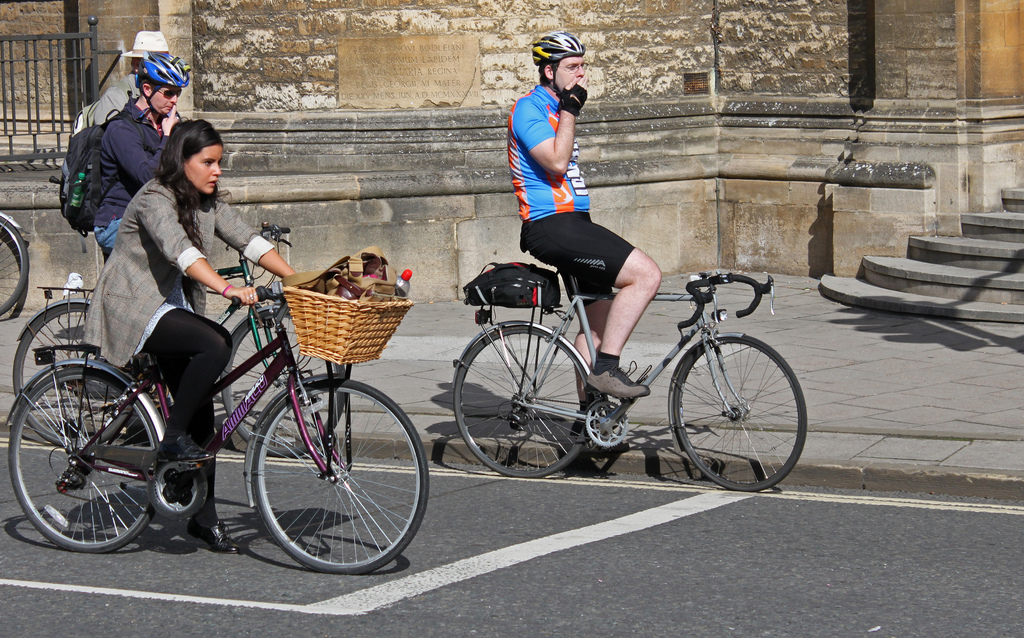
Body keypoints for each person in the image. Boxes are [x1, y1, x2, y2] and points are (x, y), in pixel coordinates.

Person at [83, 119, 296, 553]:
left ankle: (204, 519)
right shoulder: (155, 198)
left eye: (220, 162)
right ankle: (170, 440)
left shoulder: (208, 201)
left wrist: (302, 279)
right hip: (134, 305)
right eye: (209, 162)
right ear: (183, 161)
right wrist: (228, 288)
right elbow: (181, 252)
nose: (217, 171)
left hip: (172, 308)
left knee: (204, 418)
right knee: (215, 343)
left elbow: (249, 240)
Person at [508, 31, 662, 400]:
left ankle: (586, 423)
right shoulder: (529, 109)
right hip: (550, 225)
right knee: (646, 276)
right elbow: (557, 164)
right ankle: (607, 369)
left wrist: (566, 111)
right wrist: (570, 110)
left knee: (595, 327)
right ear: (548, 71)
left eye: (583, 67)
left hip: (574, 224)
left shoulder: (555, 109)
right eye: (572, 67)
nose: (582, 76)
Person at [93, 51, 190, 259]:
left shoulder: (163, 124)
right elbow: (147, 177)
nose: (174, 101)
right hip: (117, 220)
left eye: (177, 94)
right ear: (147, 89)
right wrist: (167, 137)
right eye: (168, 93)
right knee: (175, 253)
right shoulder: (121, 129)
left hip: (153, 216)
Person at [74, 31, 170, 133]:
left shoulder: (164, 93)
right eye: (157, 64)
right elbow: (112, 139)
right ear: (137, 65)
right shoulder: (115, 96)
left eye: (166, 64)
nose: (164, 70)